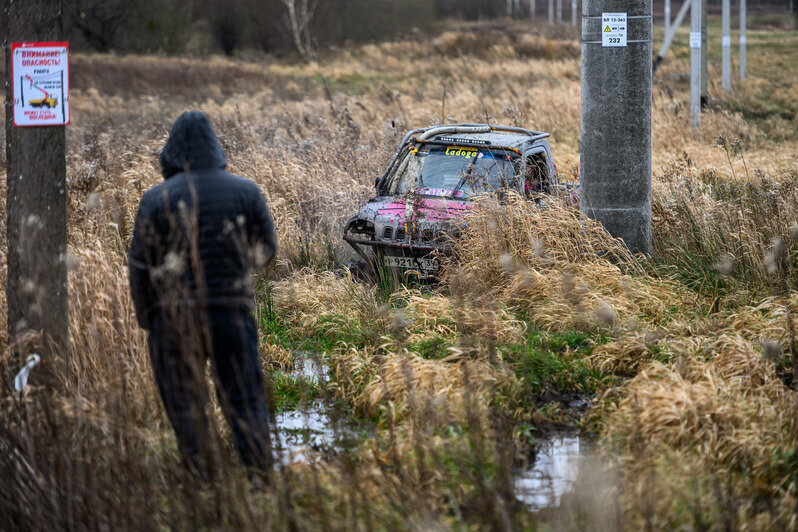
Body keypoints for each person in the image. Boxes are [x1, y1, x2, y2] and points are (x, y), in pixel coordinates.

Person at [128, 111, 277, 477]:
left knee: (185, 403)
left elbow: (139, 268)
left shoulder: (155, 199)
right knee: (244, 400)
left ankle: (203, 479)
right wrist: (238, 271)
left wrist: (151, 319)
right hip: (231, 315)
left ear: (172, 151)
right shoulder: (246, 191)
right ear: (214, 146)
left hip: (175, 319)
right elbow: (268, 250)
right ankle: (259, 478)